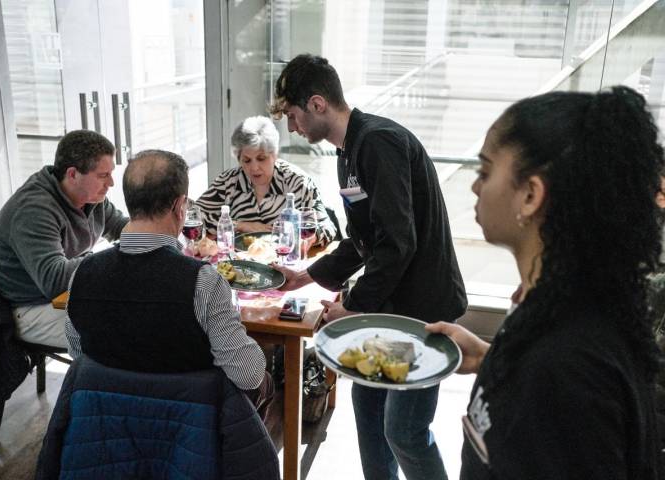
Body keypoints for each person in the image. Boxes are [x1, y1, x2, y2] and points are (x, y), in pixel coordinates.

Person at [426, 86, 663, 479]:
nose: (474, 186)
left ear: (531, 195)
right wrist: (489, 358)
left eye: (485, 171)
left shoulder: (566, 369)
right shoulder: (556, 305)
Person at [270, 54, 467, 480]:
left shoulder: (378, 142)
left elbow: (397, 244)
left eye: (292, 114)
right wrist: (305, 276)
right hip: (389, 306)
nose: (292, 127)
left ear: (318, 104)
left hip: (422, 310)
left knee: (405, 431)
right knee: (368, 410)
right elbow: (364, 241)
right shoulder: (348, 153)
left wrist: (353, 305)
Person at [64, 150, 273, 419]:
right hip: (190, 431)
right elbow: (249, 375)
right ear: (180, 206)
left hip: (109, 424)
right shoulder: (204, 282)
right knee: (264, 380)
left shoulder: (82, 273)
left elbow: (79, 354)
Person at [0, 130, 128, 348]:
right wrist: (115, 257)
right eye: (102, 175)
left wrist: (153, 231)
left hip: (68, 296)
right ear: (73, 174)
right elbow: (54, 280)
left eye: (111, 173)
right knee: (120, 333)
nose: (111, 183)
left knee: (138, 311)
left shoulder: (90, 196)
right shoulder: (34, 210)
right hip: (29, 308)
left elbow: (121, 227)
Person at [196, 115, 336, 247]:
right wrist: (240, 225)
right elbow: (193, 215)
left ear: (275, 155)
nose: (254, 167)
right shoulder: (229, 182)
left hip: (286, 260)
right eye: (246, 160)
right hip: (240, 265)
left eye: (261, 158)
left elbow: (327, 227)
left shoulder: (297, 182)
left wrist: (310, 239)